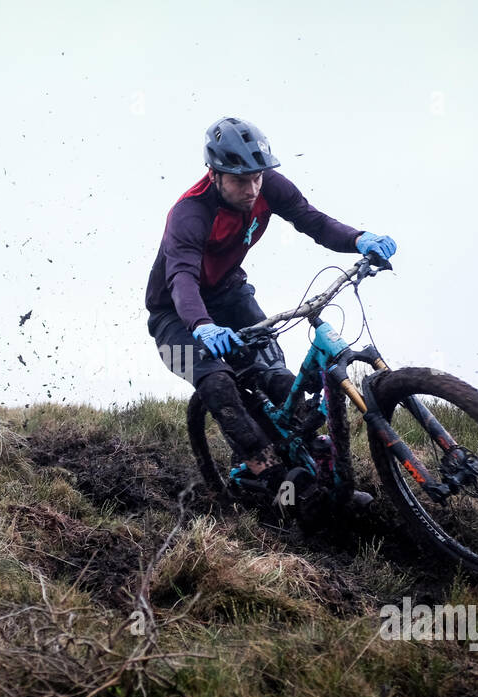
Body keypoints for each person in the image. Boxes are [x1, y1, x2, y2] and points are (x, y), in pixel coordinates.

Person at [144, 116, 397, 501]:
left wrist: (359, 238)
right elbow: (180, 278)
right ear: (214, 174)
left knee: (276, 378)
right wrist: (201, 325)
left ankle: (312, 454)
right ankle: (272, 478)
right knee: (217, 382)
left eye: (257, 178)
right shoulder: (189, 214)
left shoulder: (268, 186)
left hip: (231, 294)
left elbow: (312, 220)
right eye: (240, 180)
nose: (252, 188)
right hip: (174, 317)